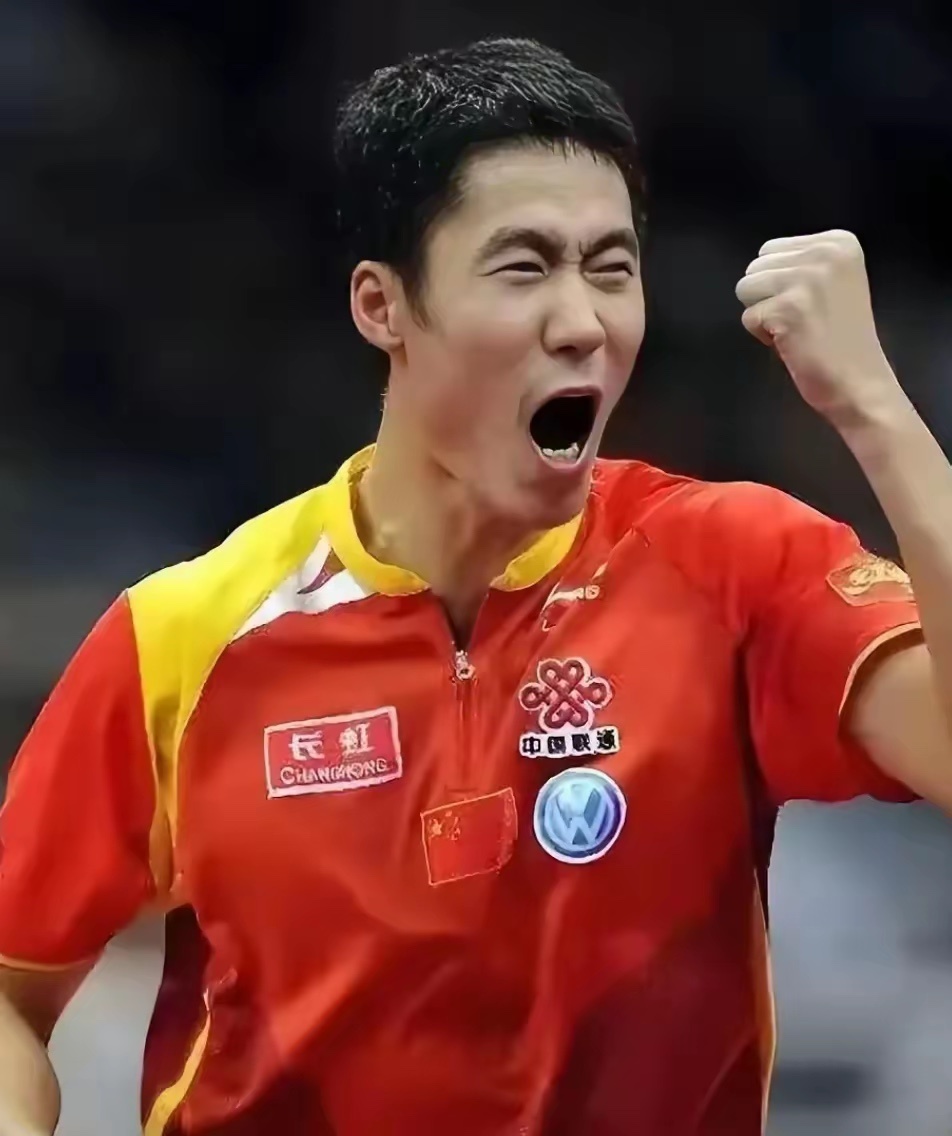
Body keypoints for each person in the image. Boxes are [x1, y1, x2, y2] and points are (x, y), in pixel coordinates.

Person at [0, 34, 950, 1136]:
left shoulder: (731, 565)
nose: (583, 321)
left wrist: (871, 406)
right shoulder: (187, 634)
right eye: (524, 267)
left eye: (611, 269)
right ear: (383, 306)